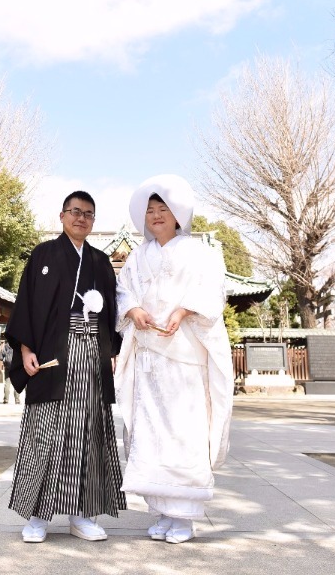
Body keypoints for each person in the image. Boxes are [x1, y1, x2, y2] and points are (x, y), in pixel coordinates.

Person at [115, 174, 233, 545]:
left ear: (178, 215)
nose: (155, 215)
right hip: (150, 357)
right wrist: (133, 310)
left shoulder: (202, 253)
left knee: (184, 432)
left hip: (183, 354)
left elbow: (212, 291)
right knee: (150, 434)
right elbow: (123, 292)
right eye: (150, 210)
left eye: (163, 208)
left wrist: (183, 311)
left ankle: (185, 516)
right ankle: (163, 511)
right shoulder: (136, 256)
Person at [4, 190, 126, 543]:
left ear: (93, 221)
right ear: (61, 216)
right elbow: (26, 302)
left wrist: (113, 351)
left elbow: (113, 315)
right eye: (75, 211)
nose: (81, 218)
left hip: (91, 354)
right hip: (50, 356)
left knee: (88, 433)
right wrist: (26, 347)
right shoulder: (43, 254)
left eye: (88, 214)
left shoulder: (101, 262)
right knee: (45, 432)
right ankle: (37, 516)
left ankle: (82, 513)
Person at [0, 338, 20, 405]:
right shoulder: (18, 346)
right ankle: (17, 400)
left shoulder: (6, 346)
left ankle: (6, 399)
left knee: (7, 383)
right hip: (16, 367)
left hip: (8, 367)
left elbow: (1, 357)